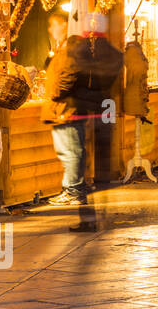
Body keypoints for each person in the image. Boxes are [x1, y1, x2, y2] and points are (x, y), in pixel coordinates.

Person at [43, 13, 124, 206]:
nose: (50, 30)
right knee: (73, 150)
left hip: (66, 108)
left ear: (64, 25)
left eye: (53, 25)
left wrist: (55, 92)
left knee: (70, 151)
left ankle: (74, 189)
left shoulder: (72, 47)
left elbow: (70, 73)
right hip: (70, 108)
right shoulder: (73, 47)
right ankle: (77, 187)